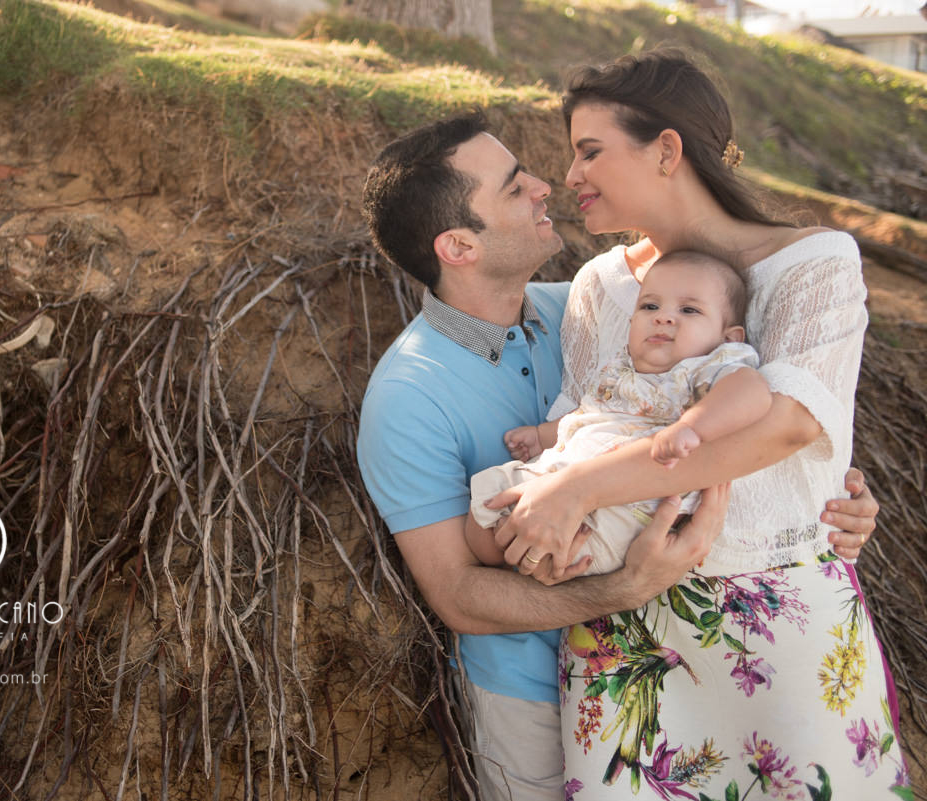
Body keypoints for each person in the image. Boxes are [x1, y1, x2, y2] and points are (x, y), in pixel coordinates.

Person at [356, 109, 879, 801]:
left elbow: (719, 408)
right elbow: (458, 594)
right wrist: (626, 586)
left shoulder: (598, 312)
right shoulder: (405, 399)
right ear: (458, 245)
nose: (545, 184)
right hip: (530, 691)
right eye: (514, 187)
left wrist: (833, 497)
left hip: (669, 658)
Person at [477, 49, 908, 798]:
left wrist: (579, 488)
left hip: (774, 616)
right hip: (622, 613)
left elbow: (786, 427)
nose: (570, 175)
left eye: (590, 151)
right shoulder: (601, 285)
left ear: (667, 149)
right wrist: (567, 484)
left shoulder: (813, 263)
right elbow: (586, 418)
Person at [466, 251, 772, 575]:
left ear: (729, 338)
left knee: (555, 545)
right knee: (483, 514)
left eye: (689, 309)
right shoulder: (620, 366)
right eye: (650, 306)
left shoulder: (706, 367)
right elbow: (589, 417)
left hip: (627, 504)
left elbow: (752, 392)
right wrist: (542, 436)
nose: (663, 317)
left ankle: (547, 561)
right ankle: (520, 558)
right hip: (557, 475)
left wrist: (693, 427)